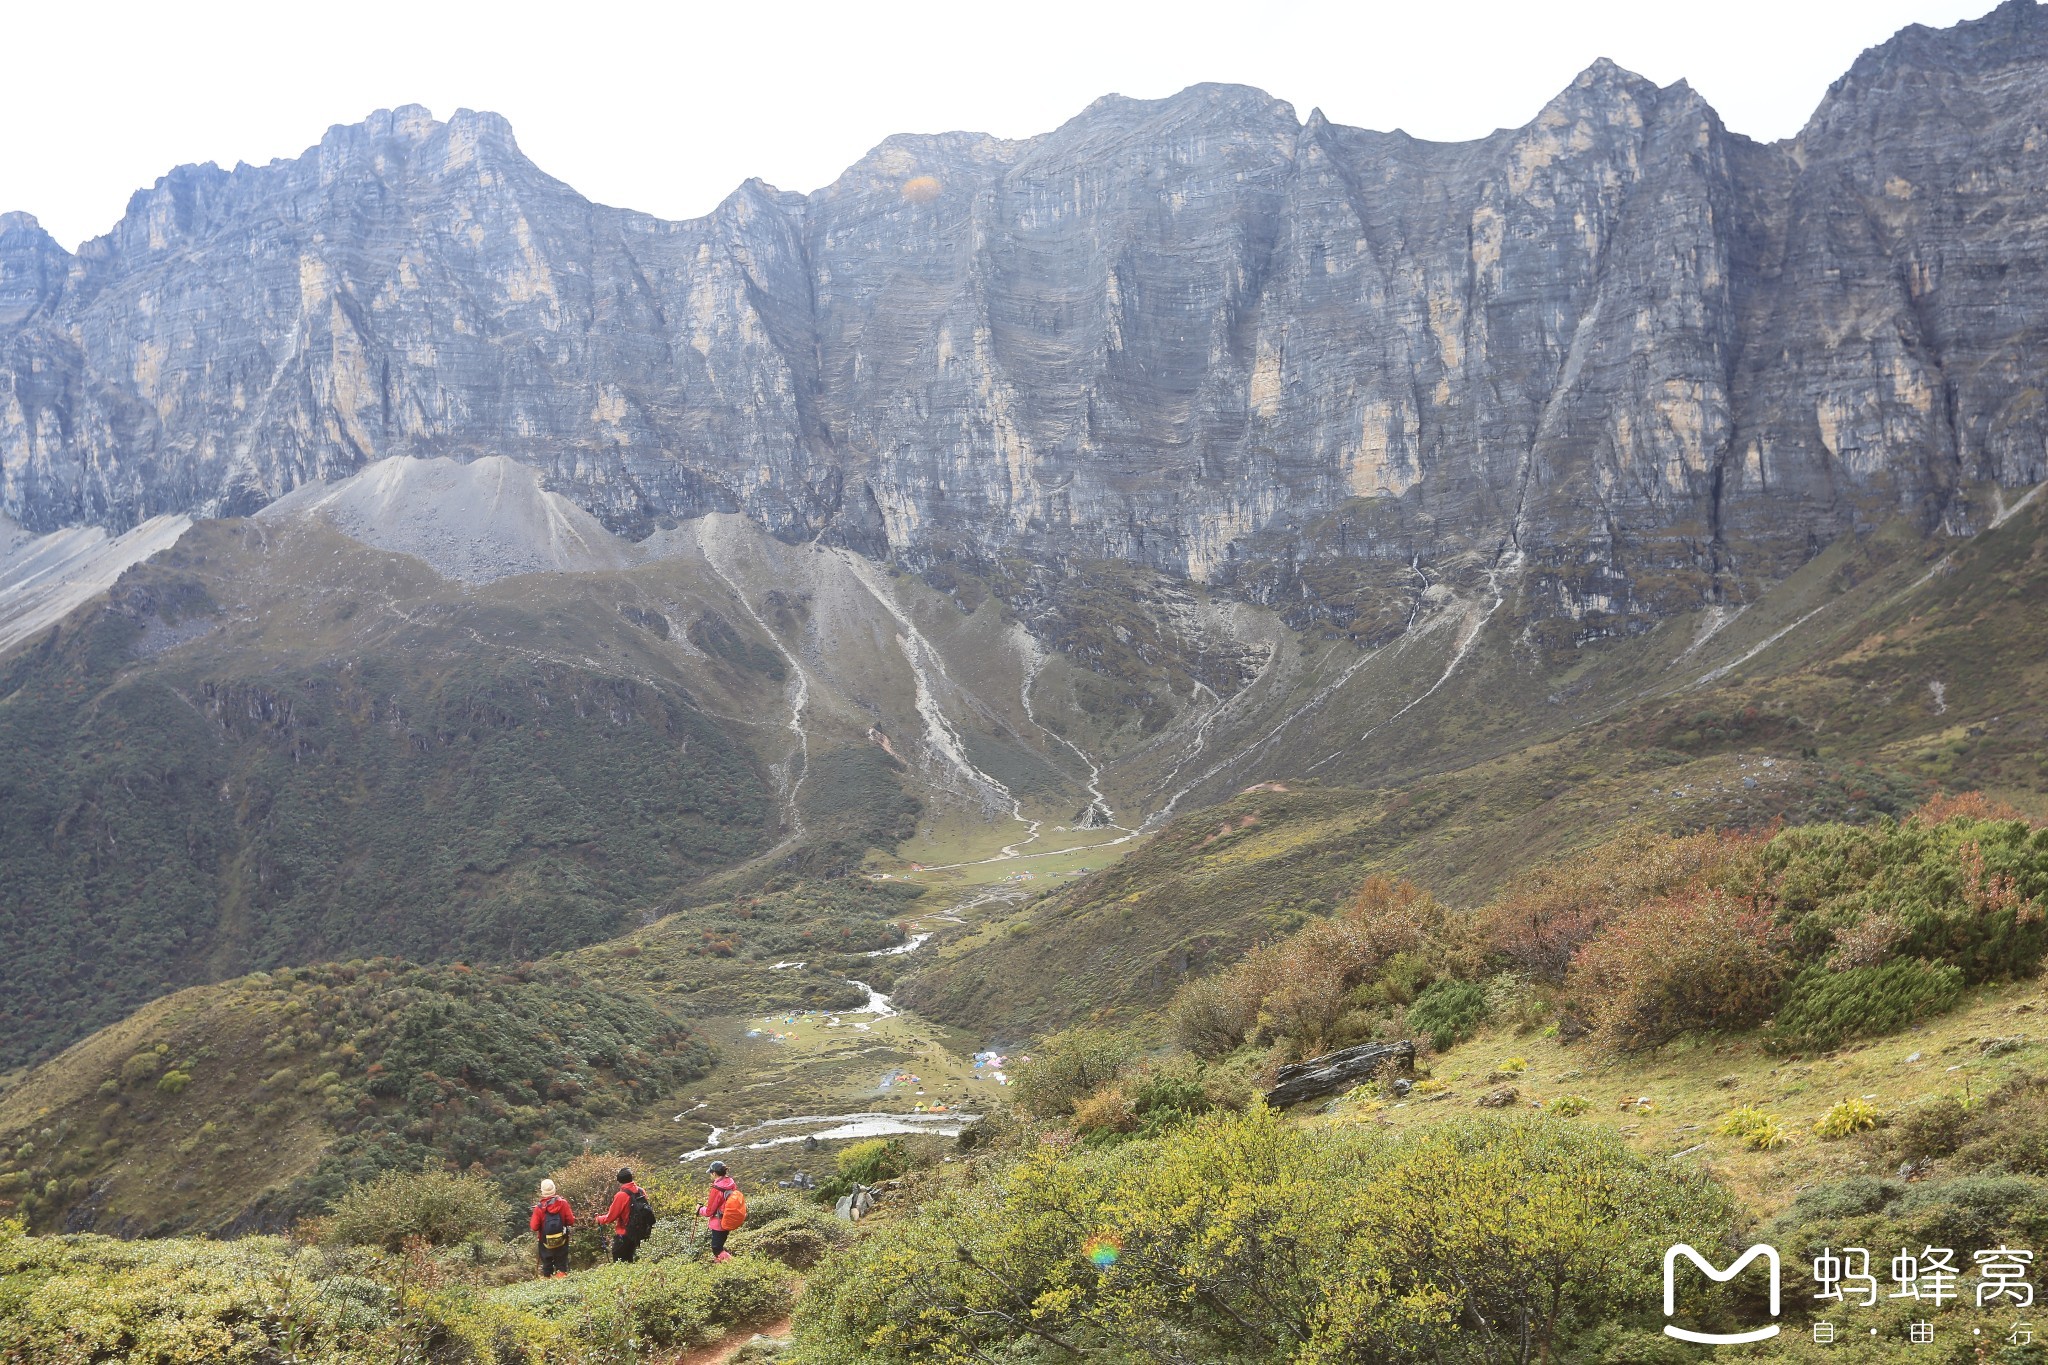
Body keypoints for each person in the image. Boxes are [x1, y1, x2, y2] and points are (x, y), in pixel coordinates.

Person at [595, 1165, 653, 1263]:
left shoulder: (621, 1195)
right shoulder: (641, 1191)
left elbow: (610, 1217)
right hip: (640, 1233)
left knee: (620, 1262)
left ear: (619, 1180)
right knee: (631, 1260)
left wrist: (599, 1219)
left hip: (624, 1234)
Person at [697, 1160, 742, 1261]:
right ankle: (720, 1264)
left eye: (711, 1173)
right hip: (728, 1218)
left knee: (716, 1248)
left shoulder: (717, 1188)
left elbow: (709, 1212)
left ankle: (733, 1264)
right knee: (720, 1245)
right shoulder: (731, 1183)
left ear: (714, 1173)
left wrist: (700, 1209)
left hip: (719, 1222)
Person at [530, 1177, 575, 1278]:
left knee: (547, 1266)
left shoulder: (539, 1208)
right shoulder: (563, 1203)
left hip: (545, 1242)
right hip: (562, 1239)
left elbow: (534, 1227)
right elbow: (571, 1221)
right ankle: (561, 1282)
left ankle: (548, 1284)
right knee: (562, 1265)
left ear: (542, 1192)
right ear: (554, 1189)